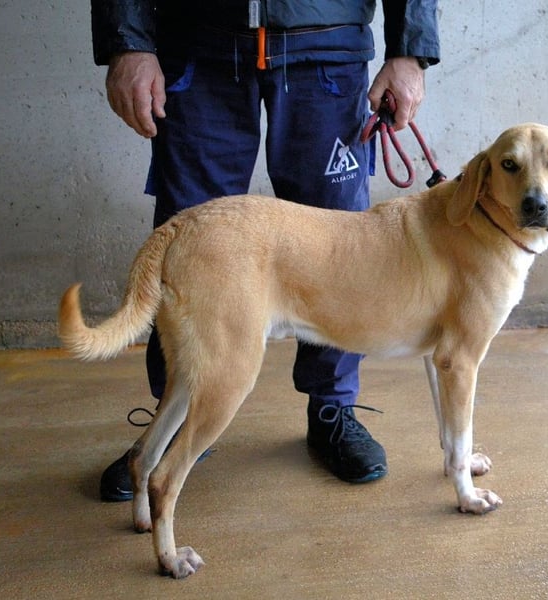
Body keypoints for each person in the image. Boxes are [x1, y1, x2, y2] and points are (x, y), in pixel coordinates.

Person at [91, 0, 440, 502]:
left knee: (341, 253)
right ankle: (175, 427)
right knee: (194, 250)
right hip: (198, 44)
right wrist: (128, 42)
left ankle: (331, 406)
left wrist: (410, 51)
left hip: (327, 43)